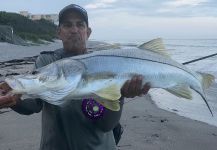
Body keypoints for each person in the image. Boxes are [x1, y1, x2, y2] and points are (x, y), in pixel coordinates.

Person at [0, 4, 150, 150]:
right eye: (67, 25)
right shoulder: (47, 62)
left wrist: (120, 95)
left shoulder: (103, 62)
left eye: (80, 25)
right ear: (58, 31)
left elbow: (107, 126)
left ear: (88, 32)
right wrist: (15, 103)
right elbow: (35, 104)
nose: (74, 30)